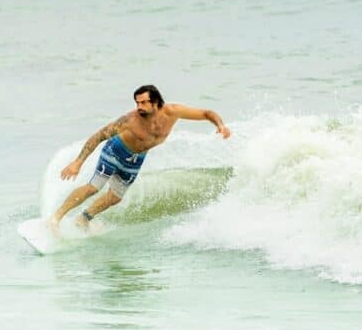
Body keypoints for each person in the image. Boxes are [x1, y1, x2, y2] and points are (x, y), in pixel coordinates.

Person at [48, 84, 231, 235]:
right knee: (93, 187)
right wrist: (78, 162)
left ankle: (84, 218)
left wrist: (221, 126)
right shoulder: (129, 121)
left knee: (115, 198)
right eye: (137, 103)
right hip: (115, 151)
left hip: (135, 160)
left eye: (144, 103)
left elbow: (207, 113)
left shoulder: (173, 112)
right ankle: (56, 218)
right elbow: (99, 136)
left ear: (156, 102)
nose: (139, 107)